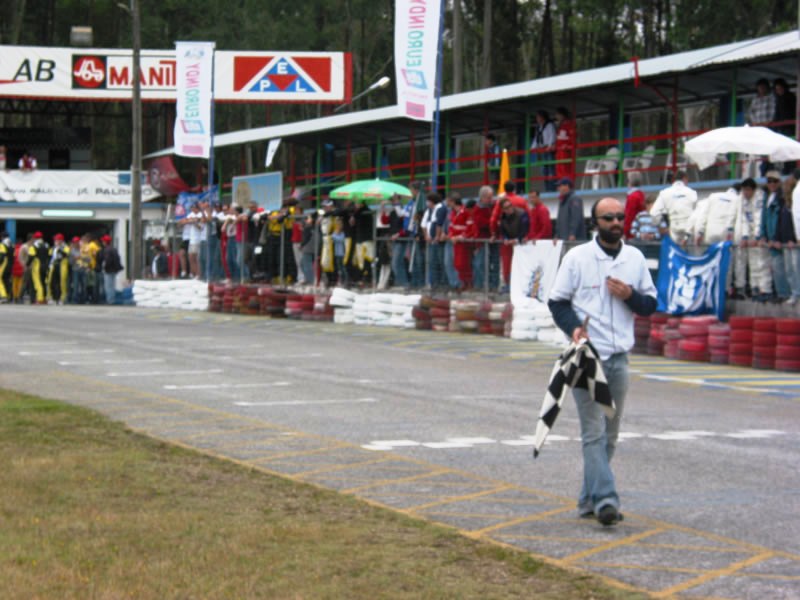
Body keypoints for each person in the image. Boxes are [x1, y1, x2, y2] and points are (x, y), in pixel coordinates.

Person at [548, 197, 657, 526]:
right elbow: (558, 302)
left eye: (619, 217)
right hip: (587, 357)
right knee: (593, 433)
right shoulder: (577, 257)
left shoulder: (635, 258)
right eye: (607, 217)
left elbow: (650, 304)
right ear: (594, 222)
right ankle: (607, 499)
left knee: (610, 434)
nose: (614, 222)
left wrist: (630, 296)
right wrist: (575, 330)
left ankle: (587, 500)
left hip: (620, 357)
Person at [732, 178, 770, 299]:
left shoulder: (760, 198)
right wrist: (744, 236)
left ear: (752, 190)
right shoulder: (743, 200)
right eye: (743, 191)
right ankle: (755, 288)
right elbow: (744, 220)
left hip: (761, 235)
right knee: (752, 263)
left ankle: (765, 289)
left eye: (747, 190)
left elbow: (759, 219)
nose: (745, 193)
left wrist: (758, 236)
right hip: (751, 236)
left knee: (762, 262)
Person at [760, 171, 795, 302]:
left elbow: (781, 220)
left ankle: (785, 294)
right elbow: (763, 218)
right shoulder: (766, 197)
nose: (772, 184)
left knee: (783, 267)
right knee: (773, 267)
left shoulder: (781, 198)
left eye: (775, 181)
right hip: (770, 238)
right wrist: (763, 235)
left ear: (779, 182)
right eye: (769, 181)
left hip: (778, 239)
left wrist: (776, 238)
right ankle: (779, 293)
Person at [649, 170, 698, 244]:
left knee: (675, 252)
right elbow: (697, 213)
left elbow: (653, 213)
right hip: (689, 228)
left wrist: (660, 227)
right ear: (685, 179)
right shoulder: (692, 192)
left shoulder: (664, 193)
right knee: (689, 253)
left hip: (674, 227)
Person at [471, 186, 498, 292]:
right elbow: (481, 223)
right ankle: (480, 286)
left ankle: (493, 286)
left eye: (491, 197)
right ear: (482, 198)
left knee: (495, 263)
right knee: (480, 264)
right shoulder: (478, 209)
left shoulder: (494, 206)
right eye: (488, 198)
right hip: (482, 241)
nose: (491, 200)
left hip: (494, 239)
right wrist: (492, 223)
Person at [773, 78, 797, 174]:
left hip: (790, 128)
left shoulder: (791, 97)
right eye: (777, 89)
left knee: (790, 149)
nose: (779, 91)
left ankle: (791, 169)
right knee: (784, 150)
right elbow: (777, 114)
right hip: (782, 129)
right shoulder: (778, 99)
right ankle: (786, 169)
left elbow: (794, 112)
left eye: (780, 88)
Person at [531, 110, 557, 191]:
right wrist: (532, 148)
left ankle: (552, 188)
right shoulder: (539, 127)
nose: (537, 119)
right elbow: (536, 139)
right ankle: (547, 189)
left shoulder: (549, 125)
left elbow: (552, 136)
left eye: (538, 117)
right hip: (542, 149)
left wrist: (549, 146)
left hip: (548, 149)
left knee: (551, 170)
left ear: (543, 117)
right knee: (544, 171)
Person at [555, 177, 586, 241]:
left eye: (560, 186)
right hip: (564, 238)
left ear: (567, 186)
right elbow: (559, 220)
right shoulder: (562, 201)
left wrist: (572, 233)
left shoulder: (574, 199)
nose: (558, 188)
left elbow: (575, 218)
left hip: (573, 239)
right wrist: (557, 235)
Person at [99, 234, 124, 305]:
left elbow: (107, 260)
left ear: (105, 242)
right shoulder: (114, 249)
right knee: (112, 285)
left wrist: (104, 268)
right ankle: (112, 299)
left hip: (108, 270)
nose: (102, 242)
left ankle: (110, 300)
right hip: (114, 270)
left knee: (108, 286)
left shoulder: (107, 250)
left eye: (103, 241)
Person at [554, 107, 576, 182]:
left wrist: (568, 146)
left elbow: (573, 138)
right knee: (559, 169)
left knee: (565, 169)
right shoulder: (560, 126)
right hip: (559, 151)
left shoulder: (570, 124)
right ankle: (561, 184)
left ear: (562, 115)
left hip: (566, 152)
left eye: (558, 115)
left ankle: (567, 185)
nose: (556, 117)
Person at [48, 233, 70, 304]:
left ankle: (62, 298)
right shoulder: (53, 248)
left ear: (61, 240)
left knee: (62, 283)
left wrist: (59, 249)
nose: (56, 241)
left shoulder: (65, 247)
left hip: (62, 267)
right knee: (52, 282)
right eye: (55, 240)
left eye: (57, 240)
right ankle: (52, 298)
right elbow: (50, 255)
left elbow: (65, 254)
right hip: (53, 266)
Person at [27, 231, 48, 304]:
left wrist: (27, 265)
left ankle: (39, 299)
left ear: (35, 238)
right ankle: (44, 298)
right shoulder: (46, 245)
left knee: (37, 283)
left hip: (37, 266)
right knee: (43, 282)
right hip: (45, 266)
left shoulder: (34, 246)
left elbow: (31, 257)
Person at [623, 173, 646, 240]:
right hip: (639, 229)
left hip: (632, 232)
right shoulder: (641, 194)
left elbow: (629, 216)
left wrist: (625, 232)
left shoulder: (632, 197)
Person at [331, 218, 348, 287]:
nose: (338, 226)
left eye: (339, 224)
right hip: (336, 253)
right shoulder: (334, 233)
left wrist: (334, 236)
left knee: (343, 267)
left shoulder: (343, 233)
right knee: (339, 268)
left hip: (342, 253)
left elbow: (340, 240)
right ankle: (340, 280)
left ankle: (346, 280)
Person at [0, 231, 11, 303]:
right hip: (10, 264)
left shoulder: (2, 244)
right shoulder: (11, 244)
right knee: (6, 280)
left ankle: (3, 296)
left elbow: (2, 256)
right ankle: (8, 296)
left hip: (4, 263)